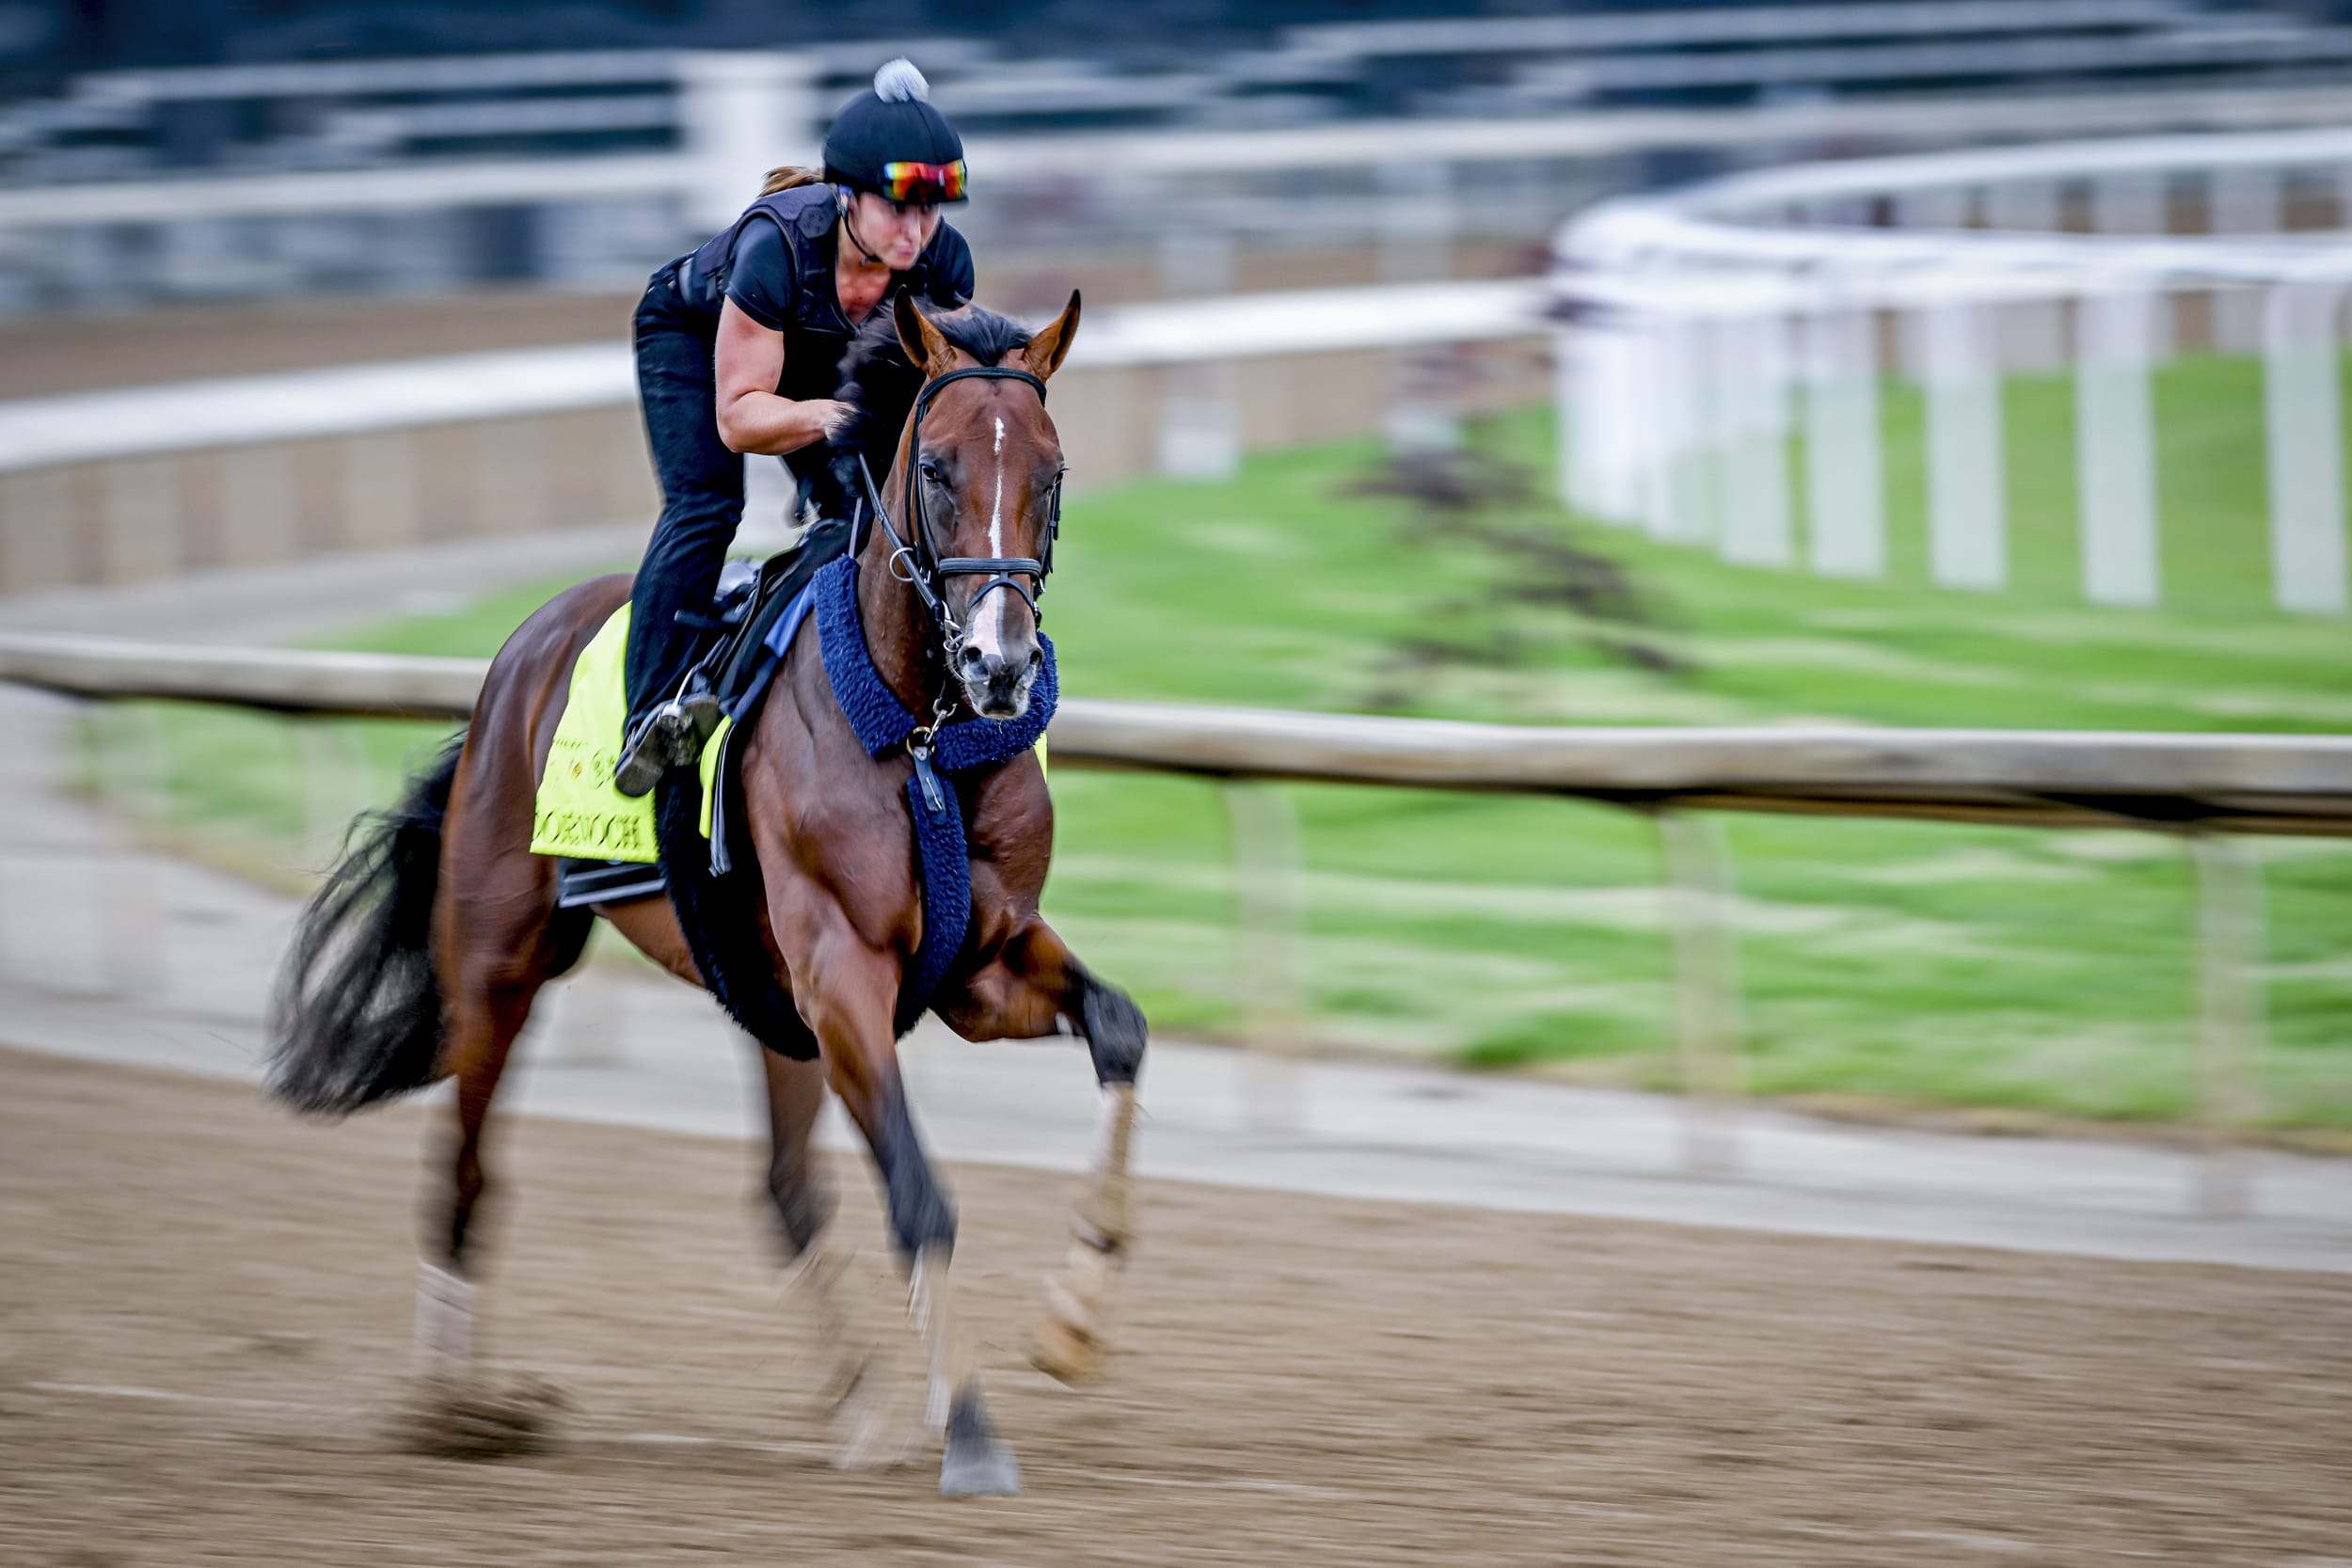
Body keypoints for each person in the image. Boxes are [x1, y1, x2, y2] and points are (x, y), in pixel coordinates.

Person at [615, 57, 975, 796]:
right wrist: (828, 415)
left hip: (823, 352)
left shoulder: (945, 269)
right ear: (846, 197)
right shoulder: (774, 249)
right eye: (897, 208)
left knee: (861, 513)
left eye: (931, 211)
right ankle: (648, 714)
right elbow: (742, 418)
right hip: (695, 337)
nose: (917, 230)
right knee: (707, 504)